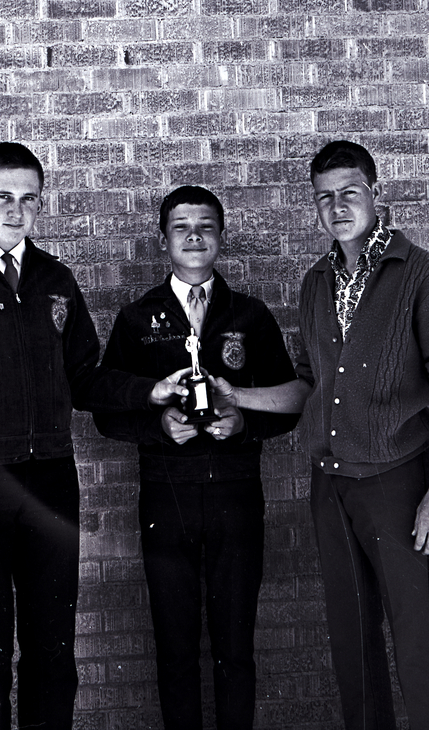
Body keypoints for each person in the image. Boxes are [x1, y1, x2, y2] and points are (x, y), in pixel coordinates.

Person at [0, 143, 184, 730]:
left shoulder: (56, 280)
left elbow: (84, 377)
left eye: (29, 199)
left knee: (53, 653)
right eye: (3, 196)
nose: (16, 209)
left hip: (50, 485)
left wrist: (149, 391)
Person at [212, 141, 429, 730]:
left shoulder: (420, 274)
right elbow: (310, 385)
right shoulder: (316, 282)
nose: (337, 207)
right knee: (351, 644)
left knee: (416, 642)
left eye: (349, 193)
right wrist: (238, 396)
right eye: (324, 198)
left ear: (375, 194)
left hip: (399, 482)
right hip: (331, 487)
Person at [92, 186, 299, 730]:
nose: (194, 236)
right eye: (181, 227)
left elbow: (292, 401)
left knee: (236, 644)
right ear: (163, 240)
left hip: (236, 494)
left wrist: (244, 423)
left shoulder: (250, 315)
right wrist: (158, 426)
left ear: (221, 237)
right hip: (168, 497)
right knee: (175, 644)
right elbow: (105, 410)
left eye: (205, 226)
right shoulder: (138, 318)